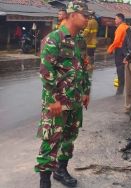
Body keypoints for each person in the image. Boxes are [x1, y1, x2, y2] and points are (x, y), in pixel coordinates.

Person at [35, 2, 91, 188]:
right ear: (73, 15)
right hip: (57, 102)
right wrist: (54, 99)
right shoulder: (54, 39)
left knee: (69, 139)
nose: (88, 20)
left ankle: (61, 170)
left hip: (75, 100)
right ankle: (44, 182)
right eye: (85, 16)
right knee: (51, 140)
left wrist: (86, 92)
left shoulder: (80, 41)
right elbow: (45, 72)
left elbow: (84, 67)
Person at [107, 13, 130, 95]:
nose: (115, 20)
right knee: (124, 69)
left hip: (120, 50)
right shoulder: (127, 27)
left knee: (120, 69)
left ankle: (120, 89)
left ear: (120, 19)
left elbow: (116, 41)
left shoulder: (120, 28)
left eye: (116, 19)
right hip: (126, 50)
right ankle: (124, 87)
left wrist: (110, 49)